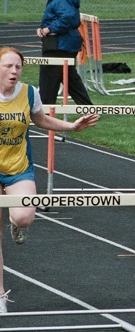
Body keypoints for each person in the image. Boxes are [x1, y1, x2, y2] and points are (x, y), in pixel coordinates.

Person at [0, 47, 100, 313]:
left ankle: (16, 223)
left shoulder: (29, 93)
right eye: (8, 66)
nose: (14, 71)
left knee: (23, 217)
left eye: (18, 67)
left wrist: (72, 127)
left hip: (17, 167)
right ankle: (0, 295)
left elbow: (41, 120)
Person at [36, 0, 93, 105]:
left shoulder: (60, 0)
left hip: (58, 45)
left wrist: (49, 29)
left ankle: (45, 112)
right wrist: (44, 28)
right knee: (69, 78)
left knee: (48, 79)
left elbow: (68, 18)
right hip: (65, 44)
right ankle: (88, 108)